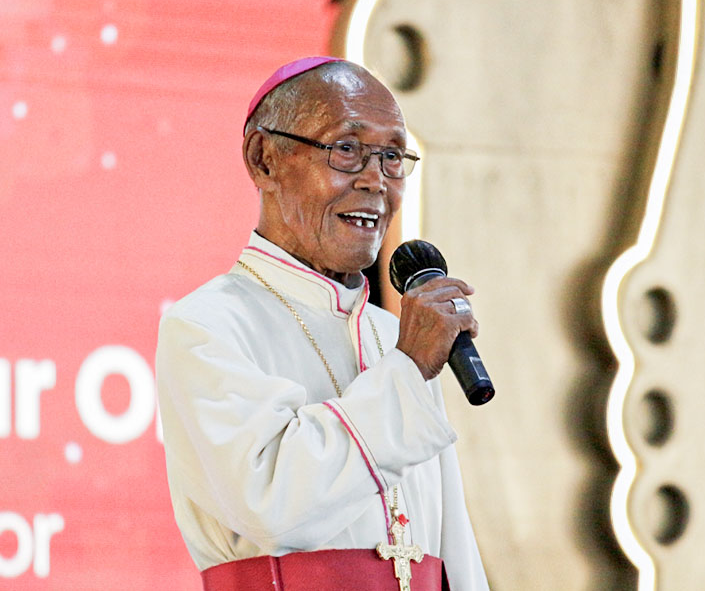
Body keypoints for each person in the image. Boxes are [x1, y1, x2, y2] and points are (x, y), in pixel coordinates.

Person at [156, 56, 490, 590]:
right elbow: (272, 503)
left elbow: (453, 552)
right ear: (264, 159)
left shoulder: (393, 335)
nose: (376, 181)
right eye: (348, 149)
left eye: (391, 156)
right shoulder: (207, 325)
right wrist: (404, 372)